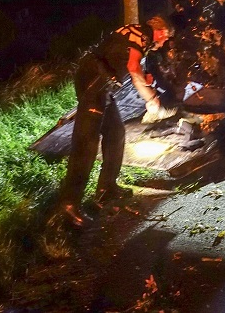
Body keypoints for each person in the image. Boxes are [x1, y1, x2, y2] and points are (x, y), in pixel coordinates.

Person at [53, 15, 177, 228]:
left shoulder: (138, 34)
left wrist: (145, 77)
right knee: (86, 143)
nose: (164, 43)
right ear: (160, 31)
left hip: (103, 83)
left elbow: (127, 60)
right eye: (165, 38)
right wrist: (151, 99)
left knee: (116, 133)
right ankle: (68, 205)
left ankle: (106, 188)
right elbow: (133, 67)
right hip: (94, 80)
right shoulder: (142, 35)